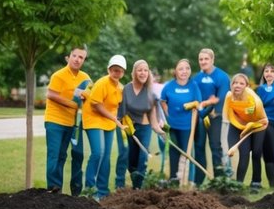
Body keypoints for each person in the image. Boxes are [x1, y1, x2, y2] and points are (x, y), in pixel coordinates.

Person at [44, 45, 90, 196]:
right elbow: (51, 94)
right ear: (68, 57)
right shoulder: (59, 75)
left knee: (65, 155)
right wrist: (73, 104)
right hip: (55, 121)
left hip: (73, 123)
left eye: (81, 57)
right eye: (75, 56)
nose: (77, 59)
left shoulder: (85, 78)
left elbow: (91, 95)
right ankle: (54, 188)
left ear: (84, 60)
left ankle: (74, 191)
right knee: (55, 154)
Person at [81, 54, 127, 200]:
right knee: (98, 152)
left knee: (106, 156)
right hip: (93, 118)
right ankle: (90, 189)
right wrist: (114, 118)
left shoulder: (120, 88)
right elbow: (95, 105)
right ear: (109, 69)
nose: (116, 73)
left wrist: (121, 120)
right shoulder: (102, 83)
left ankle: (103, 191)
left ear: (123, 72)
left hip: (108, 122)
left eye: (119, 70)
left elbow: (119, 106)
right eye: (114, 69)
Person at [119, 60, 164, 189]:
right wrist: (123, 126)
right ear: (134, 73)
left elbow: (153, 121)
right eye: (140, 70)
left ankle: (138, 188)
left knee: (142, 157)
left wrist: (161, 133)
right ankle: (135, 183)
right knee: (131, 160)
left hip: (145, 128)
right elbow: (121, 111)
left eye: (145, 70)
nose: (143, 73)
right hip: (129, 129)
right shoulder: (126, 89)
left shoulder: (150, 93)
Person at [159, 58, 203, 185]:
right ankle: (173, 179)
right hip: (172, 125)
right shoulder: (169, 86)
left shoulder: (193, 86)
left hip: (187, 126)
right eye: (181, 68)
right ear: (176, 71)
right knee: (174, 151)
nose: (184, 71)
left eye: (187, 68)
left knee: (188, 152)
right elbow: (163, 100)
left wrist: (195, 106)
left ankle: (189, 180)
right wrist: (168, 114)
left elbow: (198, 103)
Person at [223, 71, 268, 187]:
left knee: (257, 153)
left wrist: (251, 125)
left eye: (241, 83)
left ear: (247, 86)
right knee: (244, 153)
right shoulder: (229, 96)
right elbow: (226, 116)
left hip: (259, 124)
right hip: (241, 125)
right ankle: (239, 185)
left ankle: (256, 182)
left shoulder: (254, 100)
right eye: (235, 83)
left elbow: (262, 118)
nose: (237, 85)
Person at [193, 48, 232, 179]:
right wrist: (201, 112)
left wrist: (205, 108)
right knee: (199, 147)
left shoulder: (222, 77)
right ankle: (199, 179)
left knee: (216, 146)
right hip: (199, 118)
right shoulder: (196, 78)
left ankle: (219, 178)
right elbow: (194, 99)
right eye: (201, 59)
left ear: (212, 60)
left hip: (216, 117)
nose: (203, 62)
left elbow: (219, 100)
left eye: (206, 59)